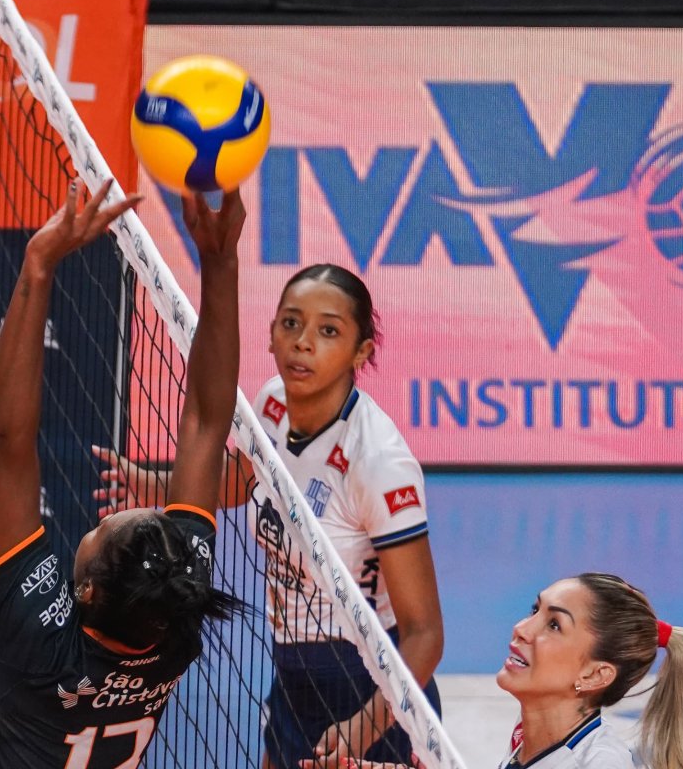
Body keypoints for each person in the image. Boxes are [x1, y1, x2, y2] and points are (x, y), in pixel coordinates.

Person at [93, 263, 444, 768]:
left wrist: (362, 729)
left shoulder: (378, 461)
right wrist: (149, 484)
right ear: (271, 333)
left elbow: (424, 632)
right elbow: (240, 480)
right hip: (291, 669)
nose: (303, 342)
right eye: (291, 323)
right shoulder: (272, 404)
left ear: (360, 352)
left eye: (328, 331)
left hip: (369, 684)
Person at [0, 179, 247, 768]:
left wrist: (39, 265)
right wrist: (219, 260)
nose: (111, 514)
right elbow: (209, 424)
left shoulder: (39, 635)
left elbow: (7, 442)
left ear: (86, 591)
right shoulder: (171, 610)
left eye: (108, 525)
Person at [332, 573, 683, 769]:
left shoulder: (600, 764)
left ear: (595, 675)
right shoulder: (533, 743)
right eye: (536, 610)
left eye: (554, 625)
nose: (521, 627)